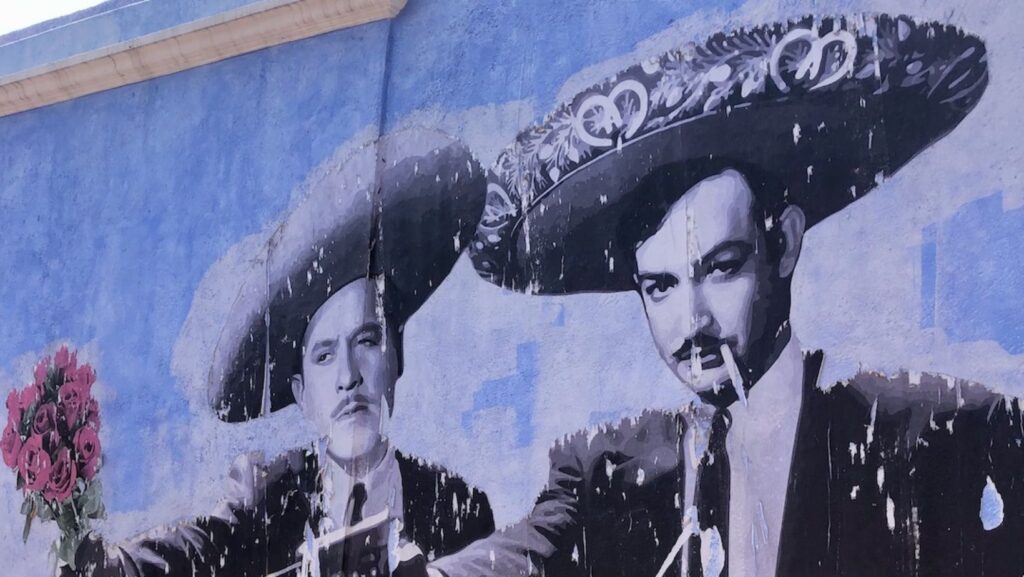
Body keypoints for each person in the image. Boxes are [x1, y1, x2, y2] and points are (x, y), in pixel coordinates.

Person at [424, 14, 1023, 577]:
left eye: (721, 268)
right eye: (660, 287)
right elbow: (524, 553)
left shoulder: (944, 434)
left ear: (784, 245)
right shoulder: (606, 473)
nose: (693, 321)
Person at [68, 130, 495, 577]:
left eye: (366, 340)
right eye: (325, 356)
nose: (348, 377)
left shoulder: (458, 510)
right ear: (302, 393)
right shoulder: (269, 499)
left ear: (395, 358)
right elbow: (196, 547)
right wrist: (115, 569)